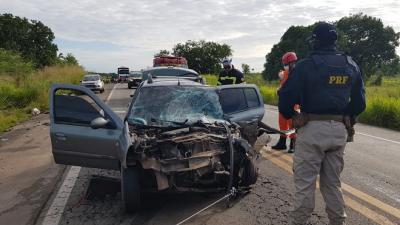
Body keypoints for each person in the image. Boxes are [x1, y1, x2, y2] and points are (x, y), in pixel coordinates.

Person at [278, 22, 366, 225]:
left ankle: (299, 221)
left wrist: (292, 114)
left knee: (305, 185)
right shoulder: (351, 64)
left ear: (316, 40)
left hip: (312, 130)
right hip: (339, 132)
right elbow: (360, 103)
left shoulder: (306, 65)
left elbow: (285, 99)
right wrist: (347, 116)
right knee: (333, 184)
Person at [272, 52, 299, 153]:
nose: (285, 66)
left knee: (292, 124)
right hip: (283, 103)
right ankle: (282, 142)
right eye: (284, 64)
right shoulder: (284, 73)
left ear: (292, 63)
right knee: (282, 124)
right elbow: (282, 86)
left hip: (293, 104)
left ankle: (293, 144)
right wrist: (279, 90)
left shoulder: (297, 74)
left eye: (286, 64)